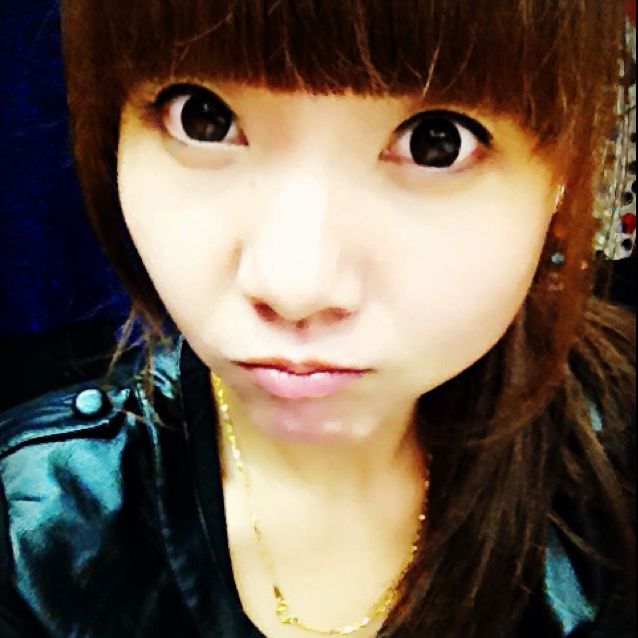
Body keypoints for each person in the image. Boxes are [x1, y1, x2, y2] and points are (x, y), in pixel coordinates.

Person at [0, 2, 635, 637]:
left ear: (566, 171)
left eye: (435, 143)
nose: (295, 287)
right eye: (203, 119)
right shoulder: (36, 531)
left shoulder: (613, 462)